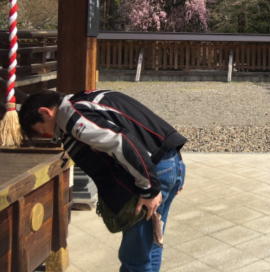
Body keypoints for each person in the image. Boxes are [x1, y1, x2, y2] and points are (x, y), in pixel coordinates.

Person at [19, 89, 187, 272]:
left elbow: (120, 142)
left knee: (135, 258)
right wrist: (176, 170)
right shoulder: (90, 99)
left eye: (44, 132)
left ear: (45, 112)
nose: (51, 136)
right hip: (168, 162)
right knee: (150, 246)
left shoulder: (72, 116)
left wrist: (149, 189)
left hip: (152, 173)